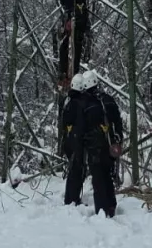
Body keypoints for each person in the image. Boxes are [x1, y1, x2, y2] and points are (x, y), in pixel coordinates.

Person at [80, 70, 123, 217]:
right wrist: (118, 140)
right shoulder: (109, 100)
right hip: (111, 147)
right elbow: (118, 121)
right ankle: (111, 206)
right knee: (108, 175)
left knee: (98, 180)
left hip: (95, 149)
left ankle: (102, 211)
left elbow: (82, 127)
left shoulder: (86, 104)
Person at [56, 0, 87, 87]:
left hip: (76, 21)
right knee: (66, 47)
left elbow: (71, 0)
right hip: (75, 20)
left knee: (72, 49)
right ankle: (66, 74)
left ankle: (70, 75)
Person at [62, 73, 89, 206]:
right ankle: (72, 199)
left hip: (69, 140)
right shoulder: (81, 103)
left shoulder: (68, 102)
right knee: (77, 170)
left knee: (74, 170)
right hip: (77, 141)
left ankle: (71, 197)